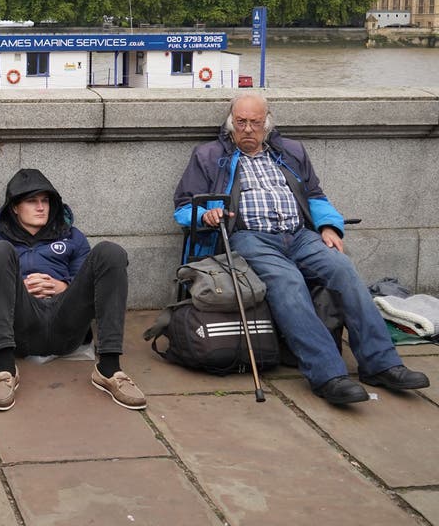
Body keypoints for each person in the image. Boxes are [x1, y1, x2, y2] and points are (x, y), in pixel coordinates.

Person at [174, 92, 429, 405]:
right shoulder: (209, 155)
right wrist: (206, 214)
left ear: (267, 124)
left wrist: (329, 226)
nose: (249, 129)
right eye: (241, 122)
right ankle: (327, 374)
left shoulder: (290, 151)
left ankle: (382, 364)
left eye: (255, 122)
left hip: (300, 234)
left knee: (343, 269)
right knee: (288, 281)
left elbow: (316, 197)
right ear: (231, 124)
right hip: (250, 236)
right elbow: (184, 208)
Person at [0, 168, 145, 413]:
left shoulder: (72, 237)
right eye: (32, 201)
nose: (41, 207)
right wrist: (14, 289)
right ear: (14, 207)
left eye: (45, 201)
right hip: (20, 325)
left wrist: (63, 287)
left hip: (67, 323)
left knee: (110, 251)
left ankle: (109, 369)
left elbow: (93, 292)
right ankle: (4, 370)